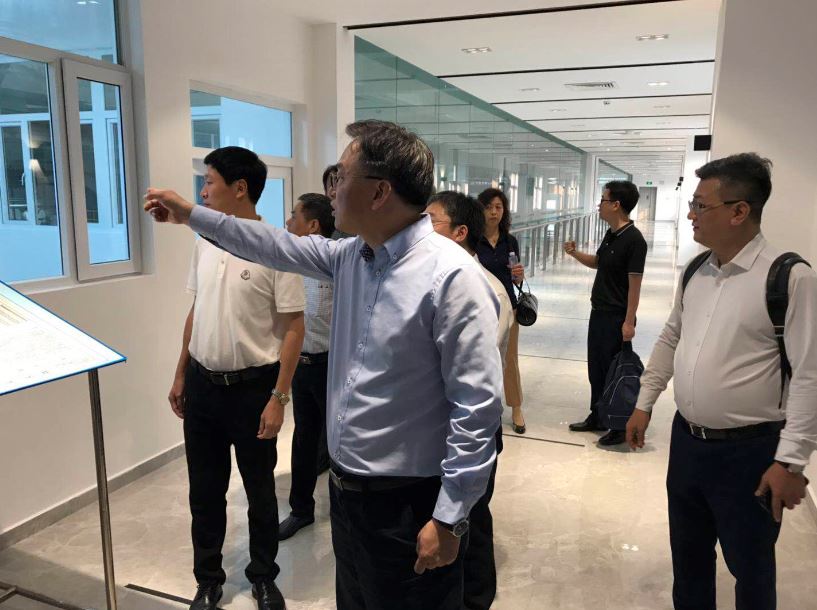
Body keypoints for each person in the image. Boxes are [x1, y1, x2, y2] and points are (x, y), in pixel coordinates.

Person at [145, 120, 503, 610]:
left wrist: (450, 517)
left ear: (379, 192)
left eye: (341, 176)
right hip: (347, 495)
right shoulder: (352, 257)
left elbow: (477, 410)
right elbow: (271, 244)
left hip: (409, 503)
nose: (331, 189)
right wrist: (191, 215)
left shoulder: (452, 277)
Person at [626, 153, 817, 610]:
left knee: (750, 568)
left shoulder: (789, 278)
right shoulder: (697, 270)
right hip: (688, 443)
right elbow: (671, 336)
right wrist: (645, 401)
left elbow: (810, 376)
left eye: (700, 205)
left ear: (739, 211)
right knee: (688, 560)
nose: (691, 214)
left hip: (749, 454)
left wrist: (790, 462)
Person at [167, 146, 305, 610]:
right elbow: (196, 310)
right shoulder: (204, 242)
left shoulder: (276, 248)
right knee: (204, 493)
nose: (203, 191)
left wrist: (278, 398)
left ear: (240, 188)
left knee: (260, 492)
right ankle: (208, 580)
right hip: (203, 386)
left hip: (253, 390)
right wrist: (180, 374)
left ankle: (263, 576)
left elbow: (294, 326)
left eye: (209, 181)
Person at [426, 190, 511, 610]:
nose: (421, 231)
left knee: (470, 517)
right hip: (434, 428)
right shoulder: (430, 280)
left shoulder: (484, 289)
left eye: (431, 222)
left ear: (460, 233)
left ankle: (476, 598)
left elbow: (473, 386)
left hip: (469, 428)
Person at [563, 180, 647, 446]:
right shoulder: (611, 234)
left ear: (616, 205)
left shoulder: (634, 240)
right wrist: (575, 253)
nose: (599, 205)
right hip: (598, 312)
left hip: (616, 316)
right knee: (597, 369)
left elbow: (635, 285)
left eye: (603, 200)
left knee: (614, 371)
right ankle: (598, 415)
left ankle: (619, 424)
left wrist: (629, 321)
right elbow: (598, 263)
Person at [279, 193, 335, 541]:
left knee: (340, 444)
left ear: (313, 225)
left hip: (332, 366)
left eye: (294, 216)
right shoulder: (290, 264)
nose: (288, 223)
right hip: (302, 365)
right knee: (303, 440)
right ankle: (301, 510)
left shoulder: (336, 264)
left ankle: (344, 514)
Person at [476, 188, 527, 434]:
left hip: (508, 308)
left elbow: (515, 278)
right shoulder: (472, 239)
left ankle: (516, 408)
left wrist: (519, 275)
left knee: (509, 360)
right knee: (482, 359)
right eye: (488, 207)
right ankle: (488, 406)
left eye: (498, 207)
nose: (493, 212)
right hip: (480, 308)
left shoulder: (509, 241)